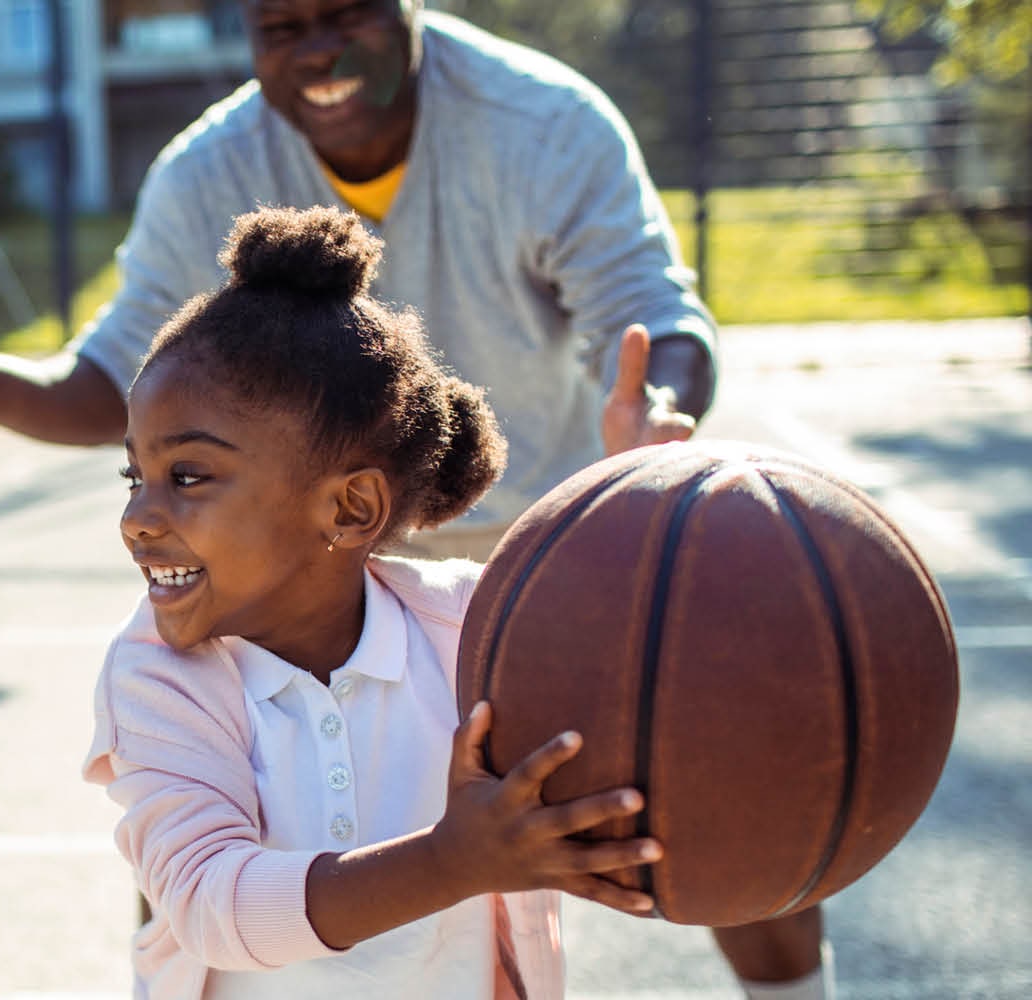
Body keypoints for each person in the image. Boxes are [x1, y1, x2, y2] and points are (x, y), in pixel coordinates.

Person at [0, 3, 830, 995]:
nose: (316, 51)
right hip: (272, 555)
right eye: (280, 26)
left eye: (346, 16)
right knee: (193, 853)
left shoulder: (540, 122)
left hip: (532, 540)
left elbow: (650, 311)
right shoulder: (206, 170)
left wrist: (651, 418)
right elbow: (112, 380)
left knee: (707, 757)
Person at [83, 205, 657, 999]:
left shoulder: (469, 631)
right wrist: (453, 861)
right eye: (134, 478)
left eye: (186, 478)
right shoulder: (156, 677)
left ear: (350, 510)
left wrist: (641, 504)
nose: (137, 518)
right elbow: (212, 907)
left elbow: (626, 655)